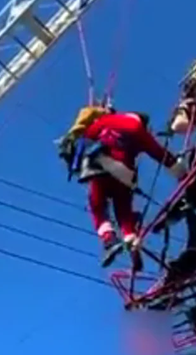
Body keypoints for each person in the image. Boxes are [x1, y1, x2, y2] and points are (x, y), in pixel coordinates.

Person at [58, 106, 186, 268]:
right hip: (125, 174)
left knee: (97, 204)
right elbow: (158, 153)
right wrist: (180, 171)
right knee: (123, 209)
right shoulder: (140, 130)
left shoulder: (107, 120)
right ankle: (131, 238)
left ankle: (109, 239)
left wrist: (73, 157)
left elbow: (86, 137)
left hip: (103, 164)